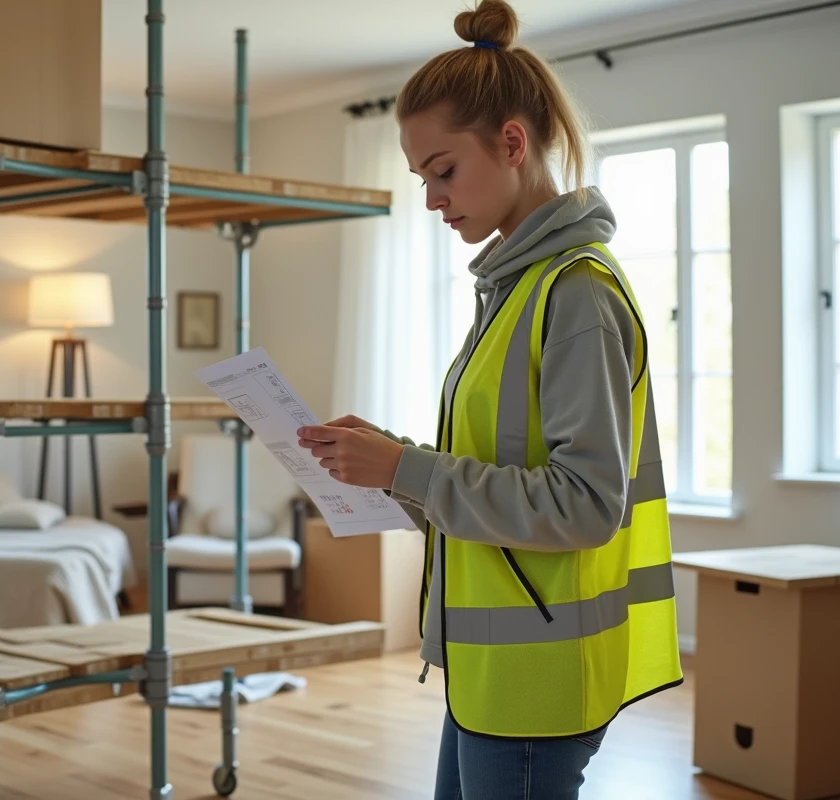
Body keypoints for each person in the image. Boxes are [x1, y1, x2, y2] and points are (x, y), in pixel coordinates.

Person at [296, 1, 684, 798]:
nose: (433, 199)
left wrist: (408, 468)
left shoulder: (574, 296)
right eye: (422, 179)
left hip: (538, 681)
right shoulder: (517, 291)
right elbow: (495, 474)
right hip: (492, 670)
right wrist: (388, 463)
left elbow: (583, 505)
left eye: (443, 170)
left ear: (512, 142)